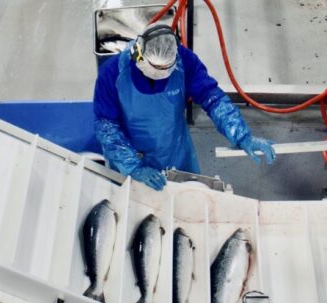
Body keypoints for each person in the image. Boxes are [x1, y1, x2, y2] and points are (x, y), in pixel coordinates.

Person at [93, 23, 276, 190]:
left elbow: (213, 98)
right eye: (155, 69)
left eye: (165, 70)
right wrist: (134, 167)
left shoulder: (184, 61)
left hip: (174, 151)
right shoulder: (112, 74)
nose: (159, 76)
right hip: (130, 155)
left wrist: (242, 136)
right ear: (138, 54)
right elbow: (107, 126)